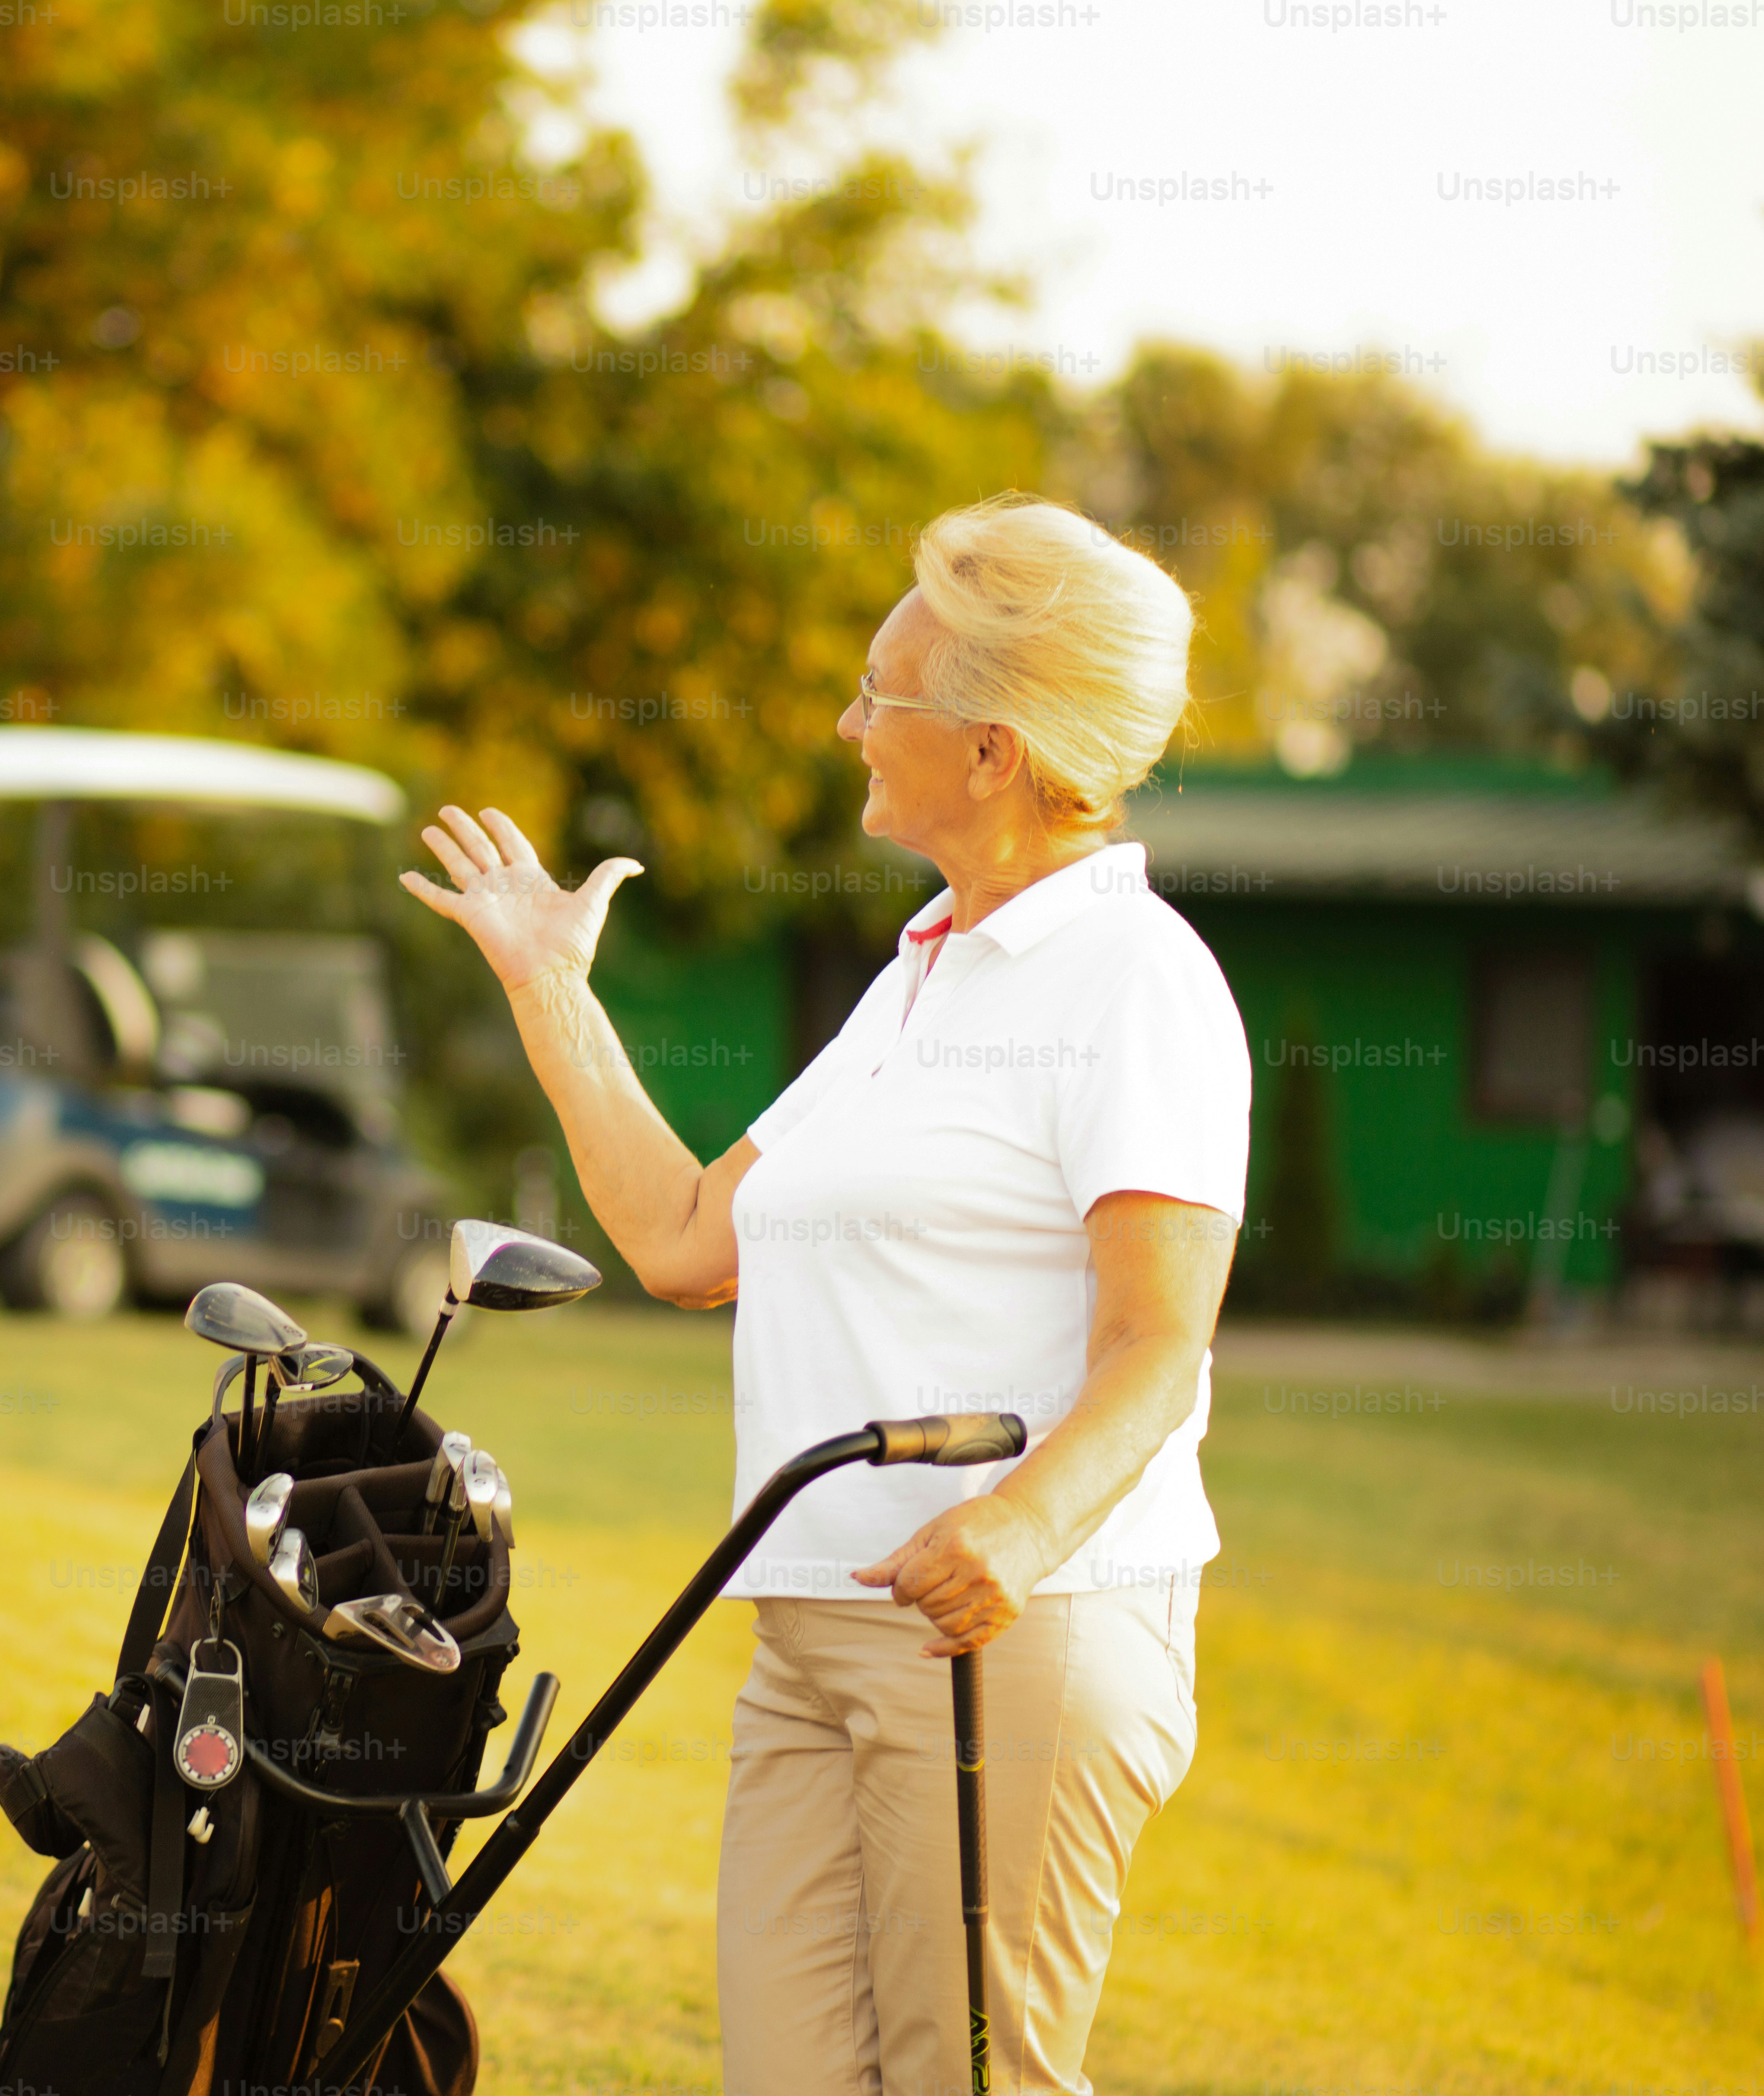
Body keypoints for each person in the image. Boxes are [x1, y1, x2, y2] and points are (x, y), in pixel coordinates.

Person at [402, 493, 1245, 2095]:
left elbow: (1157, 1343)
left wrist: (1019, 1528)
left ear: (990, 750)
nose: (849, 722)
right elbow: (683, 1240)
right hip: (804, 1625)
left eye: (879, 692)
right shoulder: (920, 971)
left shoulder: (1134, 981)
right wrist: (548, 986)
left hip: (1006, 1636)